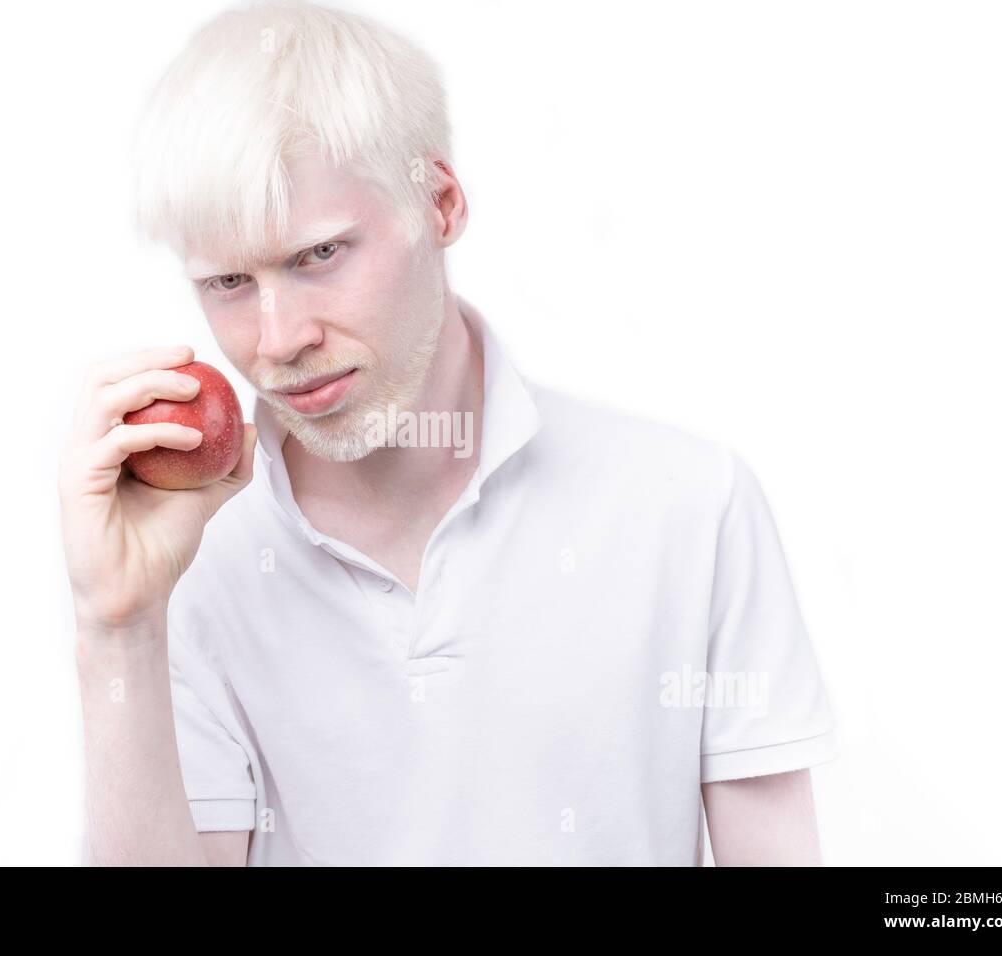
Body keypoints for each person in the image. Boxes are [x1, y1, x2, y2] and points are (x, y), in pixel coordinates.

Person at [58, 0, 837, 866]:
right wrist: (117, 623)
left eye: (319, 255)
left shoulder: (691, 507)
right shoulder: (189, 563)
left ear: (441, 202)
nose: (278, 341)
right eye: (230, 281)